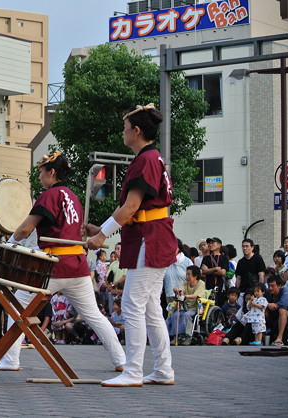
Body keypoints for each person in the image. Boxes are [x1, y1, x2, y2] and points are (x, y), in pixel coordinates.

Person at [0, 151, 125, 372]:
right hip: (77, 264)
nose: (39, 178)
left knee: (17, 308)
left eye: (42, 173)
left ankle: (10, 359)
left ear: (52, 172)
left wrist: (9, 242)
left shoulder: (49, 196)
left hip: (52, 267)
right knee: (94, 315)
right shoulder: (73, 197)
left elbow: (26, 228)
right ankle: (121, 360)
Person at [87, 103, 176, 387]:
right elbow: (132, 210)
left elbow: (131, 207)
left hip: (149, 237)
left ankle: (133, 371)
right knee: (150, 309)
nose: (122, 133)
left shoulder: (145, 160)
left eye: (125, 129)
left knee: (133, 305)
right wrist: (101, 229)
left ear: (136, 131)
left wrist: (101, 236)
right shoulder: (153, 158)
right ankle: (163, 371)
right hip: (153, 235)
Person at [165, 265, 204, 346]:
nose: (187, 276)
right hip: (186, 308)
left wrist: (185, 296)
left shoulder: (201, 284)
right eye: (187, 274)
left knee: (186, 315)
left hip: (195, 308)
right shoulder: (185, 283)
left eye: (189, 274)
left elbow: (196, 295)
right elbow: (181, 290)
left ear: (195, 275)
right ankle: (176, 336)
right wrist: (177, 291)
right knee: (175, 315)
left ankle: (187, 336)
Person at [200, 237, 229, 306]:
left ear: (219, 245)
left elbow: (223, 272)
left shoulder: (224, 258)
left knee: (219, 307)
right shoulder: (206, 258)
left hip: (221, 287)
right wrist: (215, 269)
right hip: (208, 287)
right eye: (209, 243)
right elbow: (203, 272)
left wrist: (209, 271)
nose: (210, 245)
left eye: (212, 243)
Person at [265, 275, 288, 346]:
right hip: (273, 317)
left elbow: (284, 303)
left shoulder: (285, 291)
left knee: (282, 310)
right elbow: (260, 301)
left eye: (272, 286)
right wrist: (267, 304)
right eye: (269, 286)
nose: (270, 288)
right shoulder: (267, 292)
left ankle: (279, 338)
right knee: (264, 311)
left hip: (286, 316)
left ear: (279, 286)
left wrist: (276, 305)